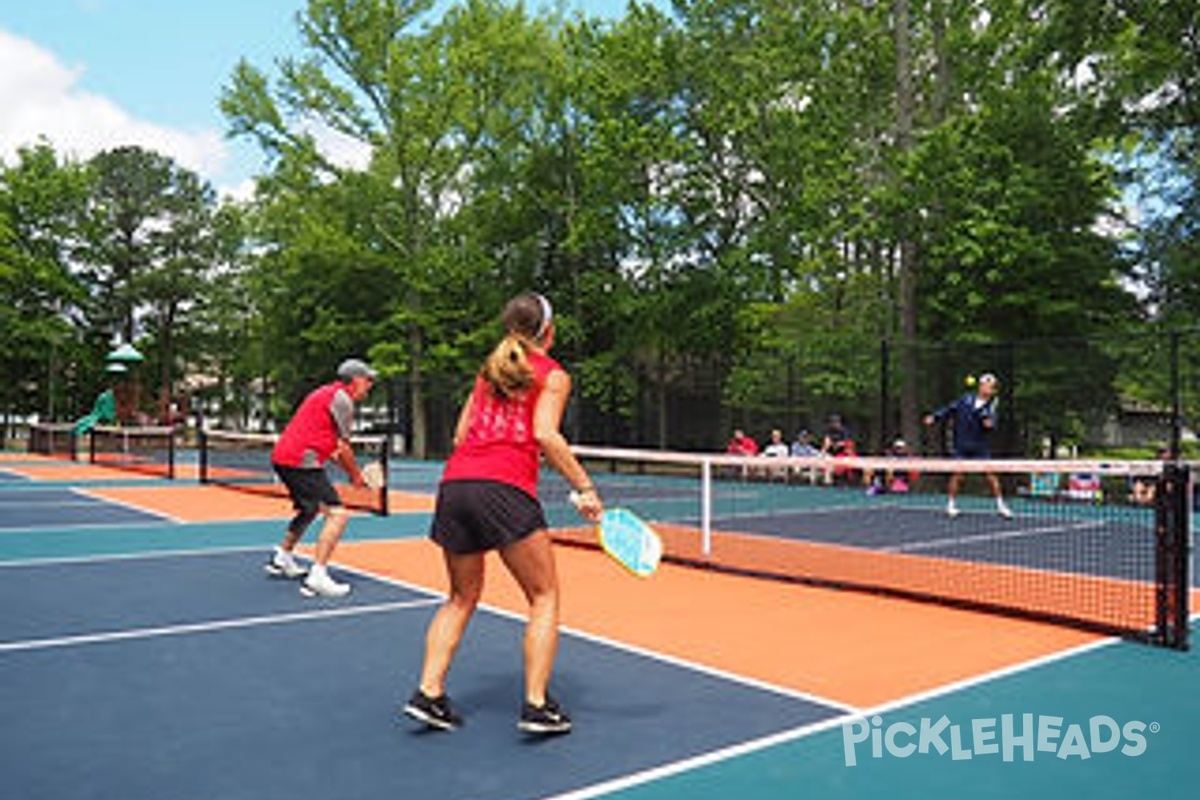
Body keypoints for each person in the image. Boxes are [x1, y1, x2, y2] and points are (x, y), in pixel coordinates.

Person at [403, 292, 603, 736]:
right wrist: (585, 488)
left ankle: (428, 692)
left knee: (459, 597)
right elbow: (546, 435)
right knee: (544, 596)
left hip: (455, 487)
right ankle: (536, 705)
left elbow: (459, 435)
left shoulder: (487, 371)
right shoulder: (552, 375)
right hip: (504, 489)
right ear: (548, 332)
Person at [266, 358, 377, 597]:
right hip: (300, 460)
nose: (370, 384)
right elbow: (343, 447)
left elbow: (334, 450)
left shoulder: (327, 393)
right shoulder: (343, 400)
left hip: (284, 457)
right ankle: (317, 576)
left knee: (310, 509)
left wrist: (353, 474)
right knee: (338, 513)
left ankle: (282, 557)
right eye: (368, 379)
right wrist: (356, 476)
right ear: (355, 380)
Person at [923, 373, 1012, 518]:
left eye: (990, 386)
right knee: (957, 474)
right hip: (961, 444)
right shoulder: (965, 399)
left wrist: (989, 425)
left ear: (993, 391)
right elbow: (949, 409)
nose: (986, 388)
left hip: (980, 446)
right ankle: (951, 505)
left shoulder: (991, 407)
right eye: (984, 384)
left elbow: (991, 425)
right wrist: (935, 416)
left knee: (991, 475)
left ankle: (1001, 506)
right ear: (980, 386)